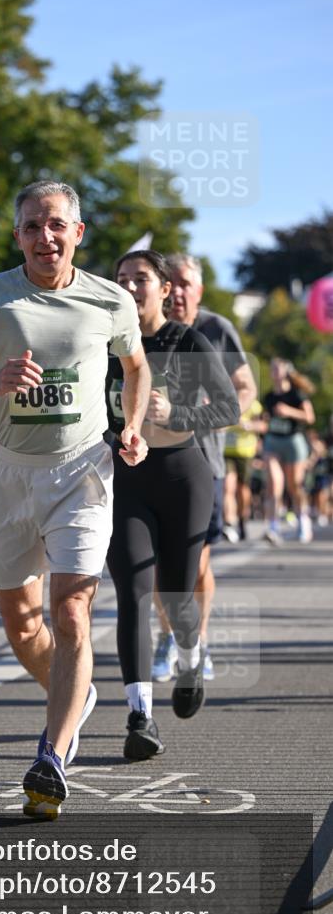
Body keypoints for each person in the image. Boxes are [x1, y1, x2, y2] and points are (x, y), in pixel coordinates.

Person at [0, 180, 150, 819]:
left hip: (81, 471)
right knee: (23, 626)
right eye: (31, 226)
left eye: (56, 225)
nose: (44, 237)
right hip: (8, 475)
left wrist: (131, 425)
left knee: (72, 609)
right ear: (18, 234)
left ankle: (51, 756)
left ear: (78, 233)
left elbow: (134, 367)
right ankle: (75, 692)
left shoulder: (110, 300)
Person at [105, 251, 240, 759]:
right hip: (127, 481)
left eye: (141, 279)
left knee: (178, 594)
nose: (131, 287)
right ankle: (140, 714)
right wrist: (115, 431)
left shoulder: (189, 340)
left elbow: (229, 408)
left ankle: (190, 655)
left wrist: (176, 411)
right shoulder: (108, 343)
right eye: (122, 280)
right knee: (134, 593)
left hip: (184, 477)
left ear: (164, 289)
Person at [152, 254, 257, 684]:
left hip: (204, 461)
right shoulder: (146, 328)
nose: (177, 291)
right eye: (170, 282)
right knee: (161, 562)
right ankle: (166, 638)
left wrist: (223, 411)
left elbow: (246, 386)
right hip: (155, 460)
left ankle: (200, 640)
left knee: (195, 564)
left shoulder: (215, 329)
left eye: (185, 283)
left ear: (199, 290)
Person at [262, 358, 315, 544]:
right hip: (273, 441)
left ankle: (303, 521)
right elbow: (266, 421)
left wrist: (289, 411)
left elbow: (310, 418)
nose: (275, 372)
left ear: (285, 371)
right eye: (272, 369)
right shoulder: (268, 397)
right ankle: (273, 528)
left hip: (293, 441)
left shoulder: (296, 395)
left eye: (278, 368)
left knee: (295, 485)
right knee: (274, 484)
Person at [223, 398, 266, 542]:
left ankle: (242, 520)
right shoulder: (223, 398)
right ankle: (229, 523)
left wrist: (248, 425)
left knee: (242, 489)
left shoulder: (254, 404)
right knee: (228, 486)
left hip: (245, 452)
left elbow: (264, 426)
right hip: (226, 451)